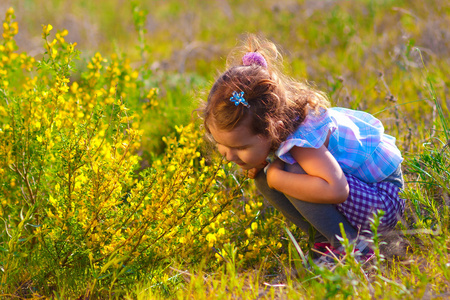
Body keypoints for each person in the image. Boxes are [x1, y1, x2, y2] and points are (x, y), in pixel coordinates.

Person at [201, 35, 405, 261]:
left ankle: (354, 249)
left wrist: (277, 178)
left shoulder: (303, 141)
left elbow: (337, 190)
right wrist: (270, 173)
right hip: (363, 198)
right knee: (265, 174)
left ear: (272, 128)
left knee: (288, 172)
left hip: (383, 201)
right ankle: (327, 240)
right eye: (222, 144)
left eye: (239, 147)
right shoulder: (281, 130)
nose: (229, 156)